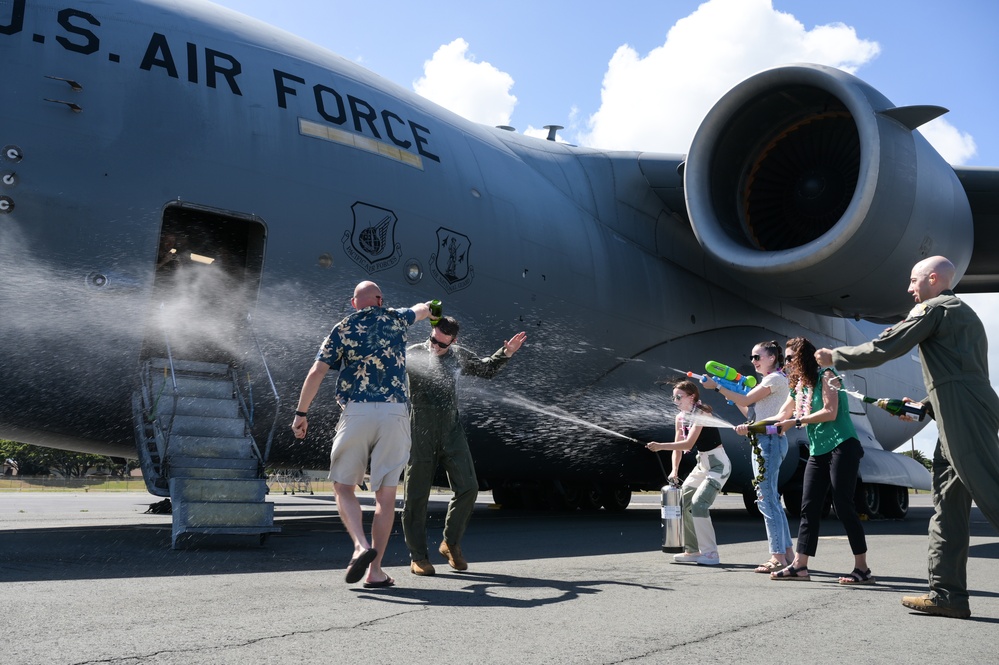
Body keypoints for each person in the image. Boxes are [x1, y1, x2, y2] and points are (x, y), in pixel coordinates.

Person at [816, 255, 999, 618]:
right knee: (947, 506)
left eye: (914, 281)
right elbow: (961, 375)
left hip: (962, 413)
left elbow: (887, 345)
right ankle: (947, 595)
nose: (909, 288)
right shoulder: (963, 315)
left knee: (991, 490)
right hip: (957, 409)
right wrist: (925, 406)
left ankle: (947, 593)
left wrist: (833, 356)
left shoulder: (935, 308)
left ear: (933, 279)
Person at [291, 281, 432, 589]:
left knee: (342, 487)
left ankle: (359, 545)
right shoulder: (395, 317)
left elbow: (316, 372)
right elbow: (422, 309)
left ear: (354, 303)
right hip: (395, 413)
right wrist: (432, 310)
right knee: (386, 495)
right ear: (379, 300)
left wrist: (301, 414)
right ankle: (376, 570)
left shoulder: (342, 328)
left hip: (357, 411)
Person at [402, 317, 527, 576]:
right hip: (420, 428)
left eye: (441, 342)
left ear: (453, 340)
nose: (435, 345)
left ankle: (451, 543)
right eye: (433, 339)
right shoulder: (412, 353)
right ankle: (418, 557)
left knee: (468, 487)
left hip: (451, 429)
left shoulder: (458, 355)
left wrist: (506, 352)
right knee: (416, 496)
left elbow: (486, 369)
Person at [768, 337, 872, 585]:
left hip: (842, 445)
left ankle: (863, 569)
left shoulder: (828, 374)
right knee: (809, 506)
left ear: (804, 357)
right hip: (819, 450)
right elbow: (782, 414)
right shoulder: (799, 385)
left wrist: (796, 422)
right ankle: (800, 566)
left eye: (791, 357)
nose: (787, 362)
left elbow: (830, 411)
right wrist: (752, 425)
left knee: (843, 504)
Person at [709, 341, 794, 573]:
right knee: (772, 500)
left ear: (772, 358)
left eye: (757, 356)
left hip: (769, 442)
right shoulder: (771, 381)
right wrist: (733, 396)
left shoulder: (774, 379)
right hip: (765, 441)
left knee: (766, 500)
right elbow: (751, 412)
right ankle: (786, 554)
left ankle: (777, 557)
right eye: (752, 356)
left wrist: (718, 387)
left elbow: (747, 400)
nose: (753, 361)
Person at [647, 380, 731, 565]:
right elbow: (678, 448)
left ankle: (710, 553)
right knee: (683, 501)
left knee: (699, 504)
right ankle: (692, 550)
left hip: (718, 465)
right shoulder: (680, 418)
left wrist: (660, 446)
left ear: (692, 397)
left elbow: (687, 444)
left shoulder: (702, 413)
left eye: (679, 397)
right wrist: (674, 470)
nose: (675, 400)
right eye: (674, 397)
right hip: (702, 465)